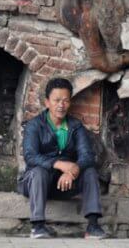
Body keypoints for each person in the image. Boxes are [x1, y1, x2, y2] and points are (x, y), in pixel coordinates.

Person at [18, 77, 107, 240]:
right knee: (38, 172)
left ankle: (93, 226)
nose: (61, 105)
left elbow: (87, 155)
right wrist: (59, 164)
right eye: (57, 100)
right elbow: (31, 157)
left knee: (90, 172)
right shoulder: (34, 126)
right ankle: (38, 226)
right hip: (36, 184)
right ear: (47, 102)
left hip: (65, 185)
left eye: (65, 100)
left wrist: (72, 171)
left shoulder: (75, 126)